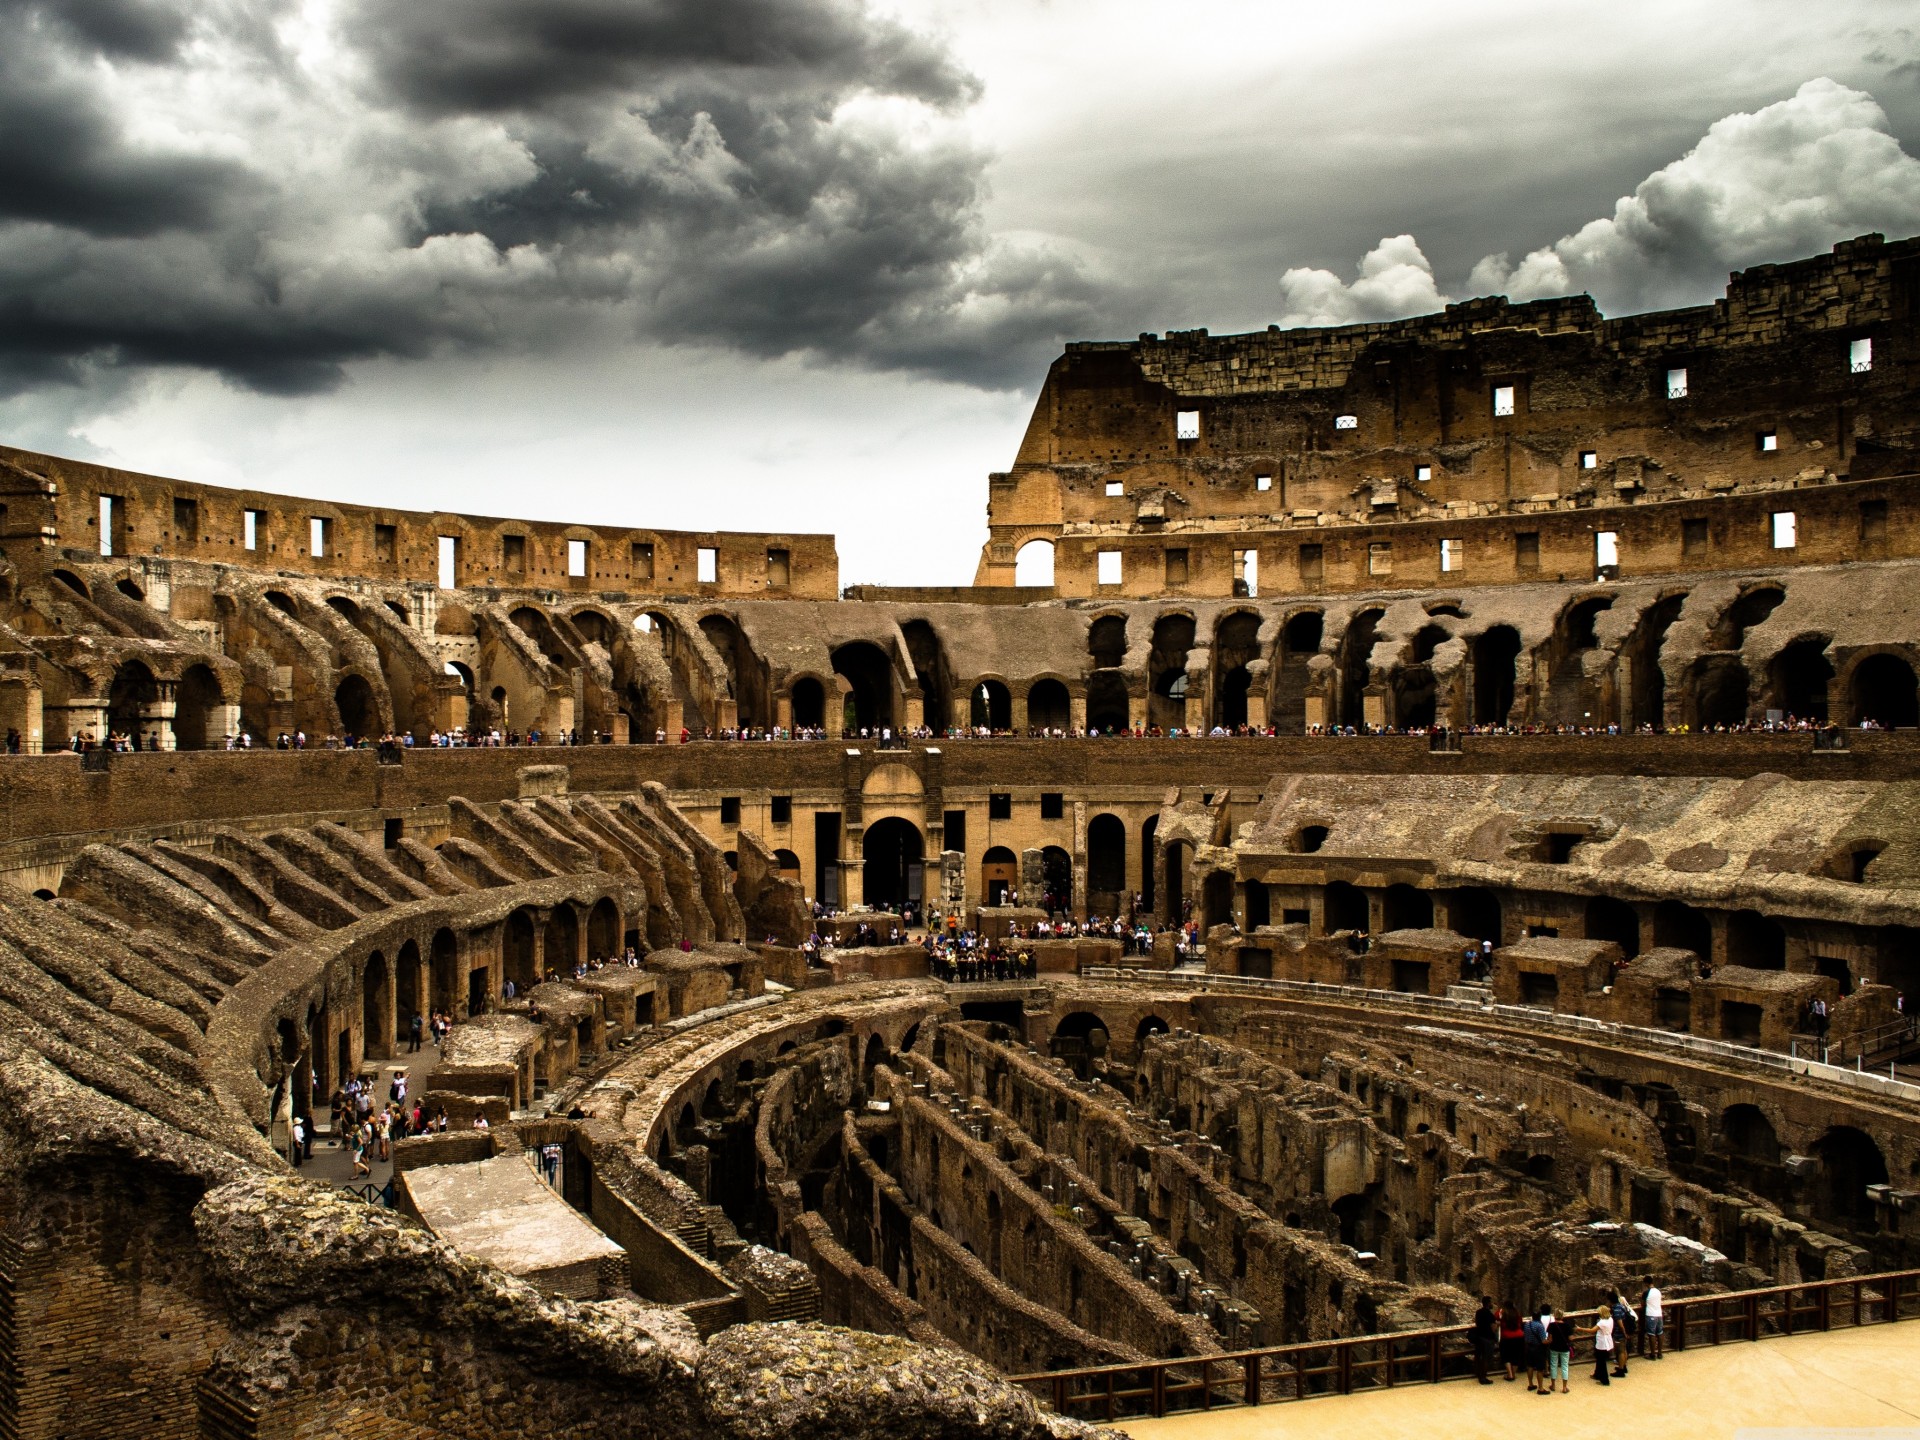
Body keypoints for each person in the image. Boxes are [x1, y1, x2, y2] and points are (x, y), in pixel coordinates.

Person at [1582, 1304, 1614, 1384]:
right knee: (1600, 1360)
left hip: (1602, 1343)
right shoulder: (1610, 1319)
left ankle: (1605, 1380)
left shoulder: (1602, 1322)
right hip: (1607, 1341)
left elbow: (1592, 1330)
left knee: (1602, 1362)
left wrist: (1580, 1329)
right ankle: (1597, 1374)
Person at [1470, 1296, 1498, 1384]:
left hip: (1479, 1337)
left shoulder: (1478, 1312)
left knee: (1479, 1356)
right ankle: (1483, 1377)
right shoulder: (1490, 1315)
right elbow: (1493, 1328)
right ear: (1488, 1303)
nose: (1492, 1304)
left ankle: (1478, 1374)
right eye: (1491, 1302)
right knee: (1486, 1358)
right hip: (1487, 1338)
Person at [1608, 1289, 1635, 1376]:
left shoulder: (1616, 1309)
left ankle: (1620, 1371)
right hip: (1623, 1332)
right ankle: (1623, 1366)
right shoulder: (1621, 1306)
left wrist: (1624, 1333)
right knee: (1623, 1350)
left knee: (1620, 1351)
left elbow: (1620, 1323)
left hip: (1619, 1333)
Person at [1546, 1306, 1573, 1393]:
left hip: (1554, 1347)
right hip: (1565, 1348)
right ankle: (1564, 1387)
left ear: (1554, 1315)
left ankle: (1553, 1385)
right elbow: (1571, 1338)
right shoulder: (1567, 1325)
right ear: (1562, 1316)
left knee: (1553, 1365)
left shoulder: (1552, 1325)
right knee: (1565, 1366)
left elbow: (1550, 1339)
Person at [1523, 1305, 1550, 1392]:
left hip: (1529, 1347)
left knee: (1530, 1366)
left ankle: (1530, 1384)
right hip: (1538, 1349)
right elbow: (1543, 1341)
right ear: (1539, 1317)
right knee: (1540, 1369)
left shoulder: (1527, 1324)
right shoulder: (1539, 1326)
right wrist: (1550, 1341)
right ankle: (1540, 1388)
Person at [1498, 1302, 1525, 1381]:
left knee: (1506, 1355)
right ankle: (1513, 1373)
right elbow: (1520, 1322)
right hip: (1519, 1336)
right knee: (1516, 1355)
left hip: (1506, 1337)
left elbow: (1496, 1316)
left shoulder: (1502, 1313)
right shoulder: (1517, 1313)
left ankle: (1510, 1374)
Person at [1641, 1277, 1664, 1359]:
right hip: (1659, 1314)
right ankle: (1660, 1353)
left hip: (1651, 1315)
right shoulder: (1658, 1291)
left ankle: (1653, 1354)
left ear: (1646, 1283)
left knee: (1651, 1335)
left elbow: (1642, 1304)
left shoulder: (1646, 1292)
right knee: (1660, 1333)